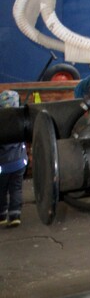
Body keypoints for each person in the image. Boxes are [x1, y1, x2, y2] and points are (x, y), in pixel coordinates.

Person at [0, 89, 26, 227]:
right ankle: (15, 215)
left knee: (1, 190)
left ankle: (2, 215)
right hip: (19, 162)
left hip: (2, 165)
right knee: (16, 189)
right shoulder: (21, 119)